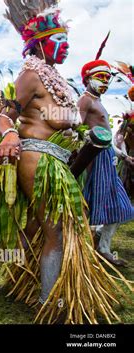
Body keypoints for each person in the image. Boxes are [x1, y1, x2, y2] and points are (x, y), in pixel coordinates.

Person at [0, 0, 131, 323]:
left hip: (59, 161)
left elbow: (68, 122)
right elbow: (4, 115)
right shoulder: (30, 75)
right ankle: (48, 303)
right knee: (58, 230)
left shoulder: (57, 80)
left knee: (35, 226)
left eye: (66, 40)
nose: (66, 45)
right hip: (36, 158)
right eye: (59, 39)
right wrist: (10, 134)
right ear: (40, 42)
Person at [79, 49, 134, 267]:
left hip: (108, 157)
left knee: (120, 207)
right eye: (100, 77)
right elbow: (75, 126)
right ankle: (95, 248)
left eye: (108, 78)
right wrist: (86, 140)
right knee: (99, 205)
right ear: (87, 78)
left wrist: (123, 156)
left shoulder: (97, 102)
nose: (105, 82)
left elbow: (108, 138)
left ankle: (102, 245)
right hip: (97, 159)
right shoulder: (85, 100)